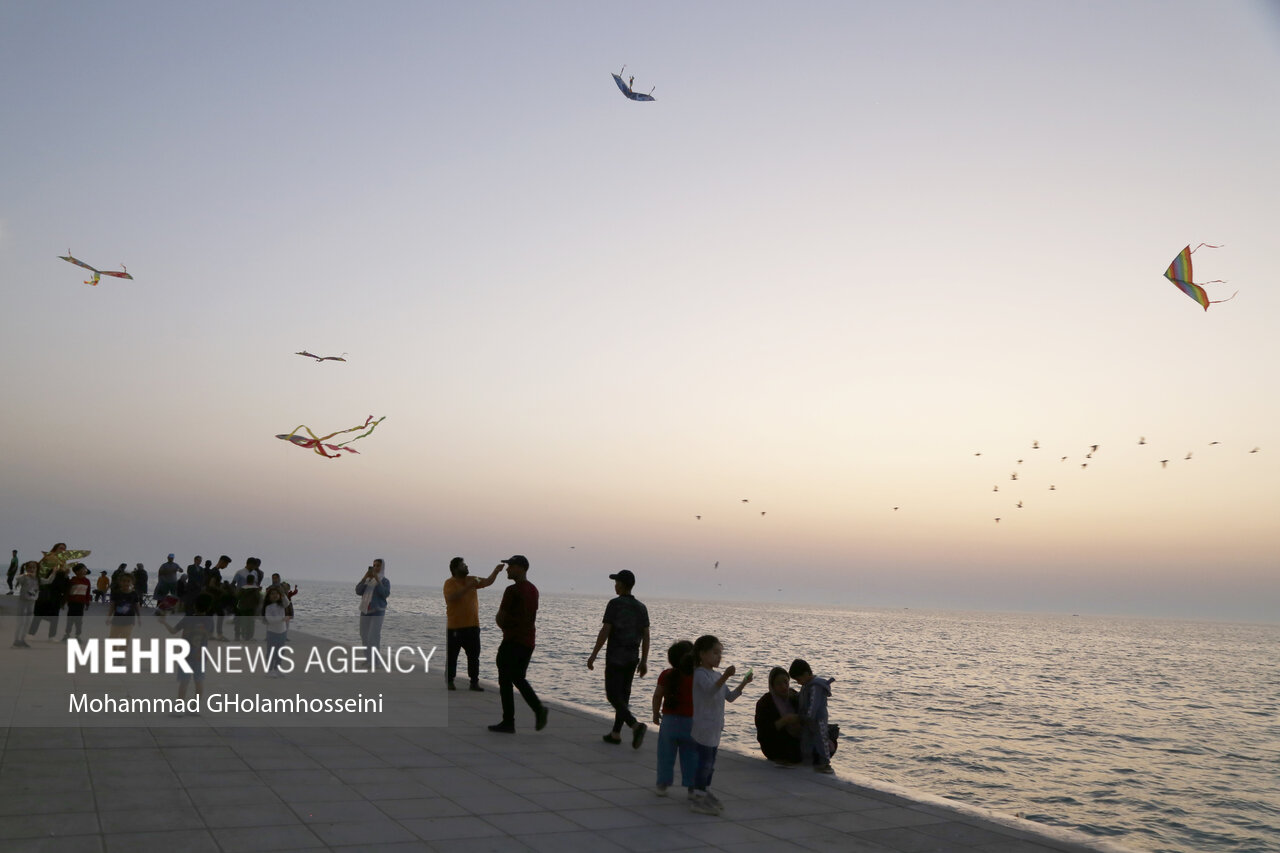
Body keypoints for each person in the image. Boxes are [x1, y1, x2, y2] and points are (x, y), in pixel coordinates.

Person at [689, 634, 753, 815]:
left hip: (715, 727)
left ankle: (702, 790)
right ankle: (698, 797)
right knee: (705, 762)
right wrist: (725, 675)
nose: (719, 657)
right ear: (702, 654)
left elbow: (729, 697)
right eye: (715, 653)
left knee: (710, 762)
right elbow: (710, 691)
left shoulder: (716, 675)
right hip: (703, 726)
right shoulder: (700, 674)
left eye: (720, 653)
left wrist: (743, 683)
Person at [586, 569, 650, 747]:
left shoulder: (615, 604)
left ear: (622, 584)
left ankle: (635, 725)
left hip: (616, 657)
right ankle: (616, 733)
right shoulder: (641, 607)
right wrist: (644, 660)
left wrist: (593, 654)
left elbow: (605, 630)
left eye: (616, 582)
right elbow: (646, 635)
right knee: (623, 696)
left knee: (613, 695)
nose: (615, 585)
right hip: (632, 658)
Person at [488, 555, 548, 734]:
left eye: (511, 566)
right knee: (518, 677)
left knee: (506, 680)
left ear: (521, 568)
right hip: (528, 641)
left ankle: (509, 721)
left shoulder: (512, 590)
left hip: (512, 640)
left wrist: (500, 623)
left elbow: (502, 616)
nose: (507, 569)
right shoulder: (533, 590)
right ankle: (537, 709)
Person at [442, 557, 502, 691]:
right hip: (454, 627)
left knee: (474, 656)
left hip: (472, 626)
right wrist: (468, 587)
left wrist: (496, 571)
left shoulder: (473, 580)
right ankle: (450, 680)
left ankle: (474, 682)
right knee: (452, 656)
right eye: (463, 565)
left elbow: (487, 581)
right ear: (455, 569)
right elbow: (451, 597)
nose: (466, 566)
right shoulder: (450, 583)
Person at [652, 640, 697, 797]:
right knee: (691, 756)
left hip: (670, 721)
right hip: (691, 722)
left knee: (665, 754)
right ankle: (692, 787)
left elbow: (658, 695)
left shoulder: (666, 675)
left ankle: (662, 784)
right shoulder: (697, 677)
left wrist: (655, 713)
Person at [159, 592, 214, 710]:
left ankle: (179, 707)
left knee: (184, 681)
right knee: (199, 681)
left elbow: (173, 631)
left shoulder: (188, 619)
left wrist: (164, 622)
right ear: (209, 607)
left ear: (194, 606)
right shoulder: (210, 621)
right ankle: (196, 706)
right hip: (201, 655)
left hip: (186, 655)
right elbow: (208, 637)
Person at [789, 658, 836, 774]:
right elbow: (803, 698)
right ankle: (807, 761)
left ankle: (825, 763)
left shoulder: (816, 686)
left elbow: (814, 705)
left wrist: (805, 717)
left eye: (798, 679)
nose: (798, 682)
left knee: (821, 740)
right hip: (807, 720)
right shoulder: (806, 685)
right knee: (806, 740)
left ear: (805, 674)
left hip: (817, 719)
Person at [755, 667, 803, 764]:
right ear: (772, 686)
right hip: (775, 744)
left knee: (829, 743)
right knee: (796, 752)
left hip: (797, 738)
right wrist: (784, 721)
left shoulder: (794, 696)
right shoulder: (765, 702)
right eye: (779, 684)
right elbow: (763, 733)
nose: (784, 686)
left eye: (786, 682)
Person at [355, 559, 389, 655]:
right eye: (374, 566)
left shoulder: (385, 581)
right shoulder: (368, 580)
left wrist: (378, 581)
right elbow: (358, 591)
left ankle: (376, 661)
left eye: (378, 566)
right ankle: (368, 659)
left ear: (382, 567)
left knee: (373, 636)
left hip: (378, 610)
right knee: (364, 635)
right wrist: (365, 578)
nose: (375, 568)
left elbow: (385, 594)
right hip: (365, 610)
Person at [28, 562, 70, 639]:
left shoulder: (65, 576)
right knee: (38, 616)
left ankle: (51, 636)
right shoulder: (50, 572)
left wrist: (66, 576)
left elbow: (65, 590)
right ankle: (31, 633)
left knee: (54, 618)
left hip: (55, 599)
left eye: (63, 566)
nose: (62, 567)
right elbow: (44, 583)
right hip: (44, 598)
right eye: (61, 566)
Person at [261, 586, 291, 677]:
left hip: (282, 632)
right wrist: (282, 619)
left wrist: (282, 593)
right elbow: (270, 620)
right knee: (271, 652)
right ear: (269, 596)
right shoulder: (268, 607)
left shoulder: (282, 604)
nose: (274, 596)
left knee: (281, 652)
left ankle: (278, 668)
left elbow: (287, 602)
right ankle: (270, 670)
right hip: (272, 632)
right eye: (272, 594)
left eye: (276, 594)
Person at [61, 563, 93, 641]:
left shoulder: (87, 581)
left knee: (79, 620)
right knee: (70, 619)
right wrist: (63, 602)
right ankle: (67, 634)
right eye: (83, 569)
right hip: (72, 603)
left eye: (85, 569)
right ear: (77, 571)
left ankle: (77, 635)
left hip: (81, 604)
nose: (85, 571)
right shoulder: (72, 580)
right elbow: (67, 592)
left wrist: (87, 603)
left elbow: (87, 593)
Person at [12, 562, 39, 647]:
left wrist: (54, 572)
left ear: (36, 569)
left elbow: (48, 581)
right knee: (21, 622)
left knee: (27, 623)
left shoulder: (37, 578)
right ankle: (16, 640)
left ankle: (22, 640)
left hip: (32, 602)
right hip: (23, 603)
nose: (32, 569)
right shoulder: (24, 577)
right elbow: (17, 578)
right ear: (26, 568)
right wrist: (26, 574)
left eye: (34, 568)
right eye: (30, 568)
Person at [107, 574, 143, 639]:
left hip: (129, 621)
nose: (126, 583)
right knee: (113, 637)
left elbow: (137, 607)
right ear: (120, 582)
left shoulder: (134, 594)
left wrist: (139, 618)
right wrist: (108, 617)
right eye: (123, 581)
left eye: (128, 581)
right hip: (116, 620)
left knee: (125, 638)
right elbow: (112, 607)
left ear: (132, 582)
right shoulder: (116, 593)